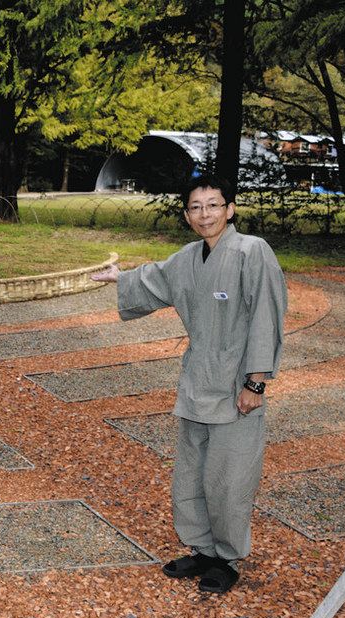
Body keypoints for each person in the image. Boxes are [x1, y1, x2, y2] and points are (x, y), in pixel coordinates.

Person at [90, 174, 287, 594]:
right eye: (196, 207)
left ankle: (227, 557)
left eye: (213, 205)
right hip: (198, 380)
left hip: (236, 382)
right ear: (187, 215)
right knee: (192, 473)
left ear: (230, 209)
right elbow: (156, 279)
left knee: (230, 476)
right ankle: (202, 549)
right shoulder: (187, 257)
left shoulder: (252, 252)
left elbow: (266, 317)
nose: (205, 214)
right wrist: (119, 278)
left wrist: (256, 383)